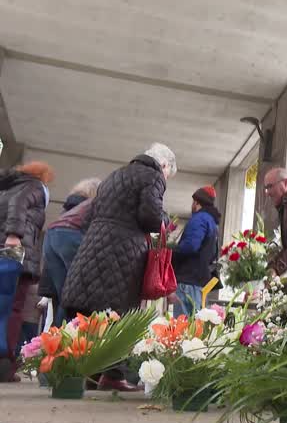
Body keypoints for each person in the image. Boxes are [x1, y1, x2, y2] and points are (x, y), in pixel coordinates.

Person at [61, 143, 176, 391]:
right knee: (119, 312)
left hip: (94, 242)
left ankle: (87, 372)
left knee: (91, 309)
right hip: (124, 249)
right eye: (168, 174)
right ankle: (113, 375)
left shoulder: (115, 175)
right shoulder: (153, 176)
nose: (165, 178)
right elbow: (150, 216)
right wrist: (165, 220)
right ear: (164, 165)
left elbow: (92, 214)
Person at [0, 161, 52, 383]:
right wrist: (14, 235)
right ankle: (5, 364)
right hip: (14, 252)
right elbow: (20, 205)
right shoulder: (34, 187)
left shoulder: (8, 188)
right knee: (13, 308)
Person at [39, 178, 102, 327]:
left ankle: (56, 339)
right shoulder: (92, 205)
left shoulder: (68, 207)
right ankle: (66, 338)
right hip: (72, 235)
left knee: (62, 297)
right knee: (72, 296)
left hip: (52, 235)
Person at [171, 186, 221, 317]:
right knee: (194, 326)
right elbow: (214, 253)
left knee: (183, 327)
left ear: (197, 203)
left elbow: (191, 246)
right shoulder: (212, 222)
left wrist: (171, 250)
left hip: (188, 280)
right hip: (198, 281)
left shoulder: (199, 219)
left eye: (193, 202)